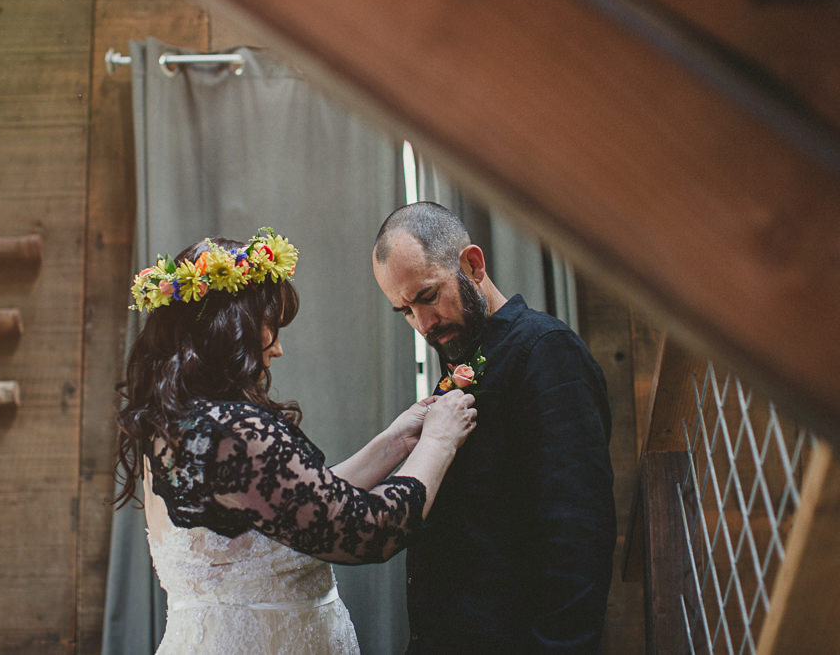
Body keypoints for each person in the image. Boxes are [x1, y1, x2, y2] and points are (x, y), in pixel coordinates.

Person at [113, 228, 477, 655]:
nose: (278, 348)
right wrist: (440, 441)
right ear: (231, 329)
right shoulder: (233, 432)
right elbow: (368, 531)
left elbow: (301, 502)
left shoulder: (178, 425)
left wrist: (398, 440)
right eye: (269, 327)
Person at [372, 202, 616, 653]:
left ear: (473, 264)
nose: (422, 324)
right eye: (405, 311)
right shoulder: (460, 356)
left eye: (427, 296)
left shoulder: (546, 352)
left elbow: (577, 536)